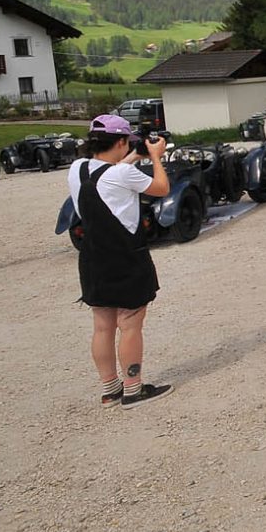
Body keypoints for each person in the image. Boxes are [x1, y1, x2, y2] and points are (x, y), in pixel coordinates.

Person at [68, 115, 173, 408]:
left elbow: (106, 175)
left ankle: (110, 389)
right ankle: (133, 388)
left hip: (93, 256)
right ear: (121, 142)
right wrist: (155, 157)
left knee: (103, 326)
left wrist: (133, 156)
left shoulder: (77, 168)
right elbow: (161, 187)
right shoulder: (123, 174)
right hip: (125, 255)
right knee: (130, 323)